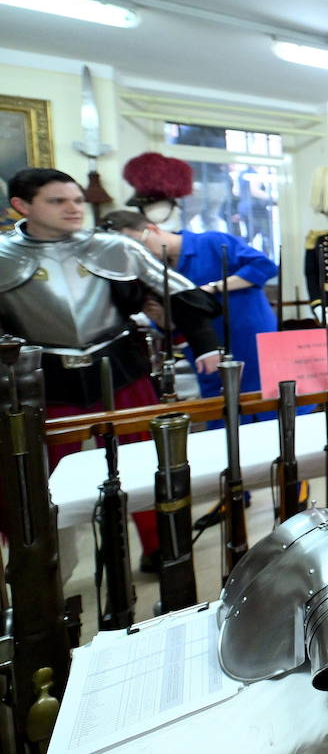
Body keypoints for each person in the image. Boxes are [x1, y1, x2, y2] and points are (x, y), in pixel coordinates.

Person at [0, 168, 222, 565]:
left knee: (148, 462)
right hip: (40, 379)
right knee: (36, 475)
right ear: (21, 205)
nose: (73, 208)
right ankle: (41, 561)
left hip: (120, 369)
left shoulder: (114, 247)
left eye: (77, 200)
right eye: (57, 201)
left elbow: (179, 295)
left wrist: (205, 345)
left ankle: (162, 548)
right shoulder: (3, 256)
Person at [100, 209, 280, 422]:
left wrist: (212, 289)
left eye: (137, 245)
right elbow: (170, 327)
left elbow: (264, 267)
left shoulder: (212, 242)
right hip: (203, 350)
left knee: (266, 405)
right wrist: (159, 316)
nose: (139, 254)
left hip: (251, 338)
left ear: (152, 229)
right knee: (219, 409)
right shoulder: (154, 272)